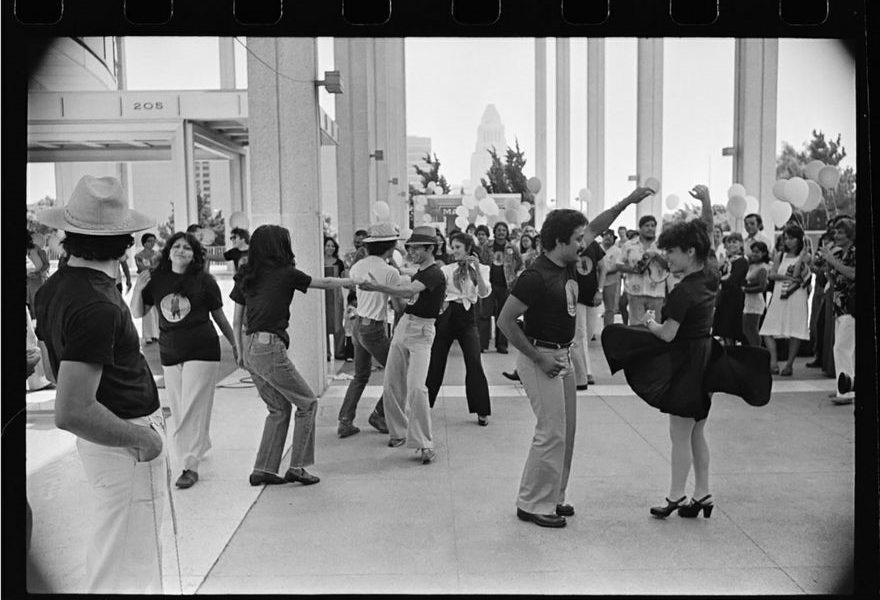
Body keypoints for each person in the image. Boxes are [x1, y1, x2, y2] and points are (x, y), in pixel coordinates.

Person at [33, 175, 168, 593]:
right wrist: (144, 440)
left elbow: (53, 369)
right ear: (125, 241)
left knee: (120, 552)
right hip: (124, 440)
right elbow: (72, 409)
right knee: (126, 565)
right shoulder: (95, 303)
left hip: (112, 438)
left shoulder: (55, 288)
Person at [601, 193, 771, 521]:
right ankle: (703, 493)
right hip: (707, 358)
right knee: (696, 431)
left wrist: (649, 321)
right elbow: (705, 233)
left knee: (680, 434)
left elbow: (667, 334)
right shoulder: (707, 273)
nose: (667, 257)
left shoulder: (683, 290)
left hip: (687, 365)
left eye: (672, 251)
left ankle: (675, 496)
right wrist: (707, 201)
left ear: (689, 251)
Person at [497, 186, 655, 528]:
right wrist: (539, 360)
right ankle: (532, 503)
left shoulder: (566, 263)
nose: (585, 243)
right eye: (578, 238)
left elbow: (597, 224)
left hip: (563, 355)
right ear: (559, 241)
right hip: (541, 356)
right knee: (551, 430)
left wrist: (626, 202)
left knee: (566, 431)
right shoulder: (535, 276)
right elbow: (506, 322)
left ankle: (554, 496)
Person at [230, 225, 352, 486]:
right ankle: (297, 466)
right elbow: (326, 283)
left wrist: (239, 353)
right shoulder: (285, 273)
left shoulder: (246, 274)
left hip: (250, 346)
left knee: (278, 407)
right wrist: (353, 281)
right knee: (307, 403)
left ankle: (263, 468)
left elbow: (237, 318)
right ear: (279, 246)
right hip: (268, 346)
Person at [130, 231, 237, 489]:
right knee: (179, 408)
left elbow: (219, 316)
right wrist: (138, 288)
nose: (181, 251)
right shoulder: (156, 280)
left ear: (194, 255)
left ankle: (189, 465)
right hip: (170, 352)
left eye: (187, 248)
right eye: (176, 246)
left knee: (192, 406)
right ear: (168, 252)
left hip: (202, 348)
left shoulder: (204, 281)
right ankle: (200, 443)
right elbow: (136, 312)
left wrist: (235, 344)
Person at [358, 225, 447, 464]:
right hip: (404, 327)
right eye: (410, 247)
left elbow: (408, 289)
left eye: (417, 248)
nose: (412, 251)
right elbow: (407, 281)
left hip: (422, 333)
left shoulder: (435, 274)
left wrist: (377, 286)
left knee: (417, 388)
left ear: (430, 249)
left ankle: (424, 443)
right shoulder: (420, 271)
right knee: (391, 383)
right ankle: (398, 432)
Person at [337, 223, 403, 438]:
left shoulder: (358, 266)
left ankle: (345, 420)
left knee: (361, 375)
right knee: (399, 372)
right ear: (390, 246)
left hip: (358, 324)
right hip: (374, 328)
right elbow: (399, 306)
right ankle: (378, 414)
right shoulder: (390, 271)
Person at [425, 232, 492, 426]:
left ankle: (482, 410)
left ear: (468, 248)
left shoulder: (483, 269)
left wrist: (477, 269)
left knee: (474, 361)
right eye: (452, 247)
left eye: (457, 247)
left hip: (468, 316)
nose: (453, 251)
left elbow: (484, 292)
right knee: (436, 363)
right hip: (447, 316)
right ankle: (424, 407)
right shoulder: (446, 269)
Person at [759, 223, 811, 376]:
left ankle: (789, 364)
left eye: (792, 238)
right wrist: (785, 277)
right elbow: (772, 275)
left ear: (799, 239)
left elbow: (797, 275)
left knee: (795, 330)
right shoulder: (779, 255)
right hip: (779, 294)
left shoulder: (806, 256)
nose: (788, 241)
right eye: (786, 238)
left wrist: (801, 257)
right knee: (767, 329)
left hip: (796, 295)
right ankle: (773, 362)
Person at [818, 218, 856, 404]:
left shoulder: (855, 252)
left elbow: (854, 273)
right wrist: (829, 267)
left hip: (851, 305)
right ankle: (846, 386)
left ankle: (846, 391)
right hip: (840, 305)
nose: (837, 236)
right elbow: (836, 280)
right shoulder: (843, 253)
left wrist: (833, 261)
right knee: (847, 348)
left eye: (841, 232)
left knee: (841, 347)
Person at [478, 222, 523, 354]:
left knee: (503, 316)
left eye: (504, 230)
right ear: (495, 232)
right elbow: (481, 262)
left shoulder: (512, 247)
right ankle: (483, 344)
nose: (501, 232)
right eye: (499, 230)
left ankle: (501, 345)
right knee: (485, 315)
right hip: (489, 285)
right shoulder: (487, 246)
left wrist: (515, 276)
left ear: (507, 232)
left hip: (506, 286)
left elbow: (520, 264)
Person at [616, 215, 666, 325]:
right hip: (635, 293)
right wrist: (634, 269)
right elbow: (618, 264)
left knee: (655, 327)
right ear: (640, 228)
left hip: (656, 294)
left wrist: (656, 256)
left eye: (653, 225)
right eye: (647, 225)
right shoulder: (629, 245)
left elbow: (670, 266)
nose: (650, 228)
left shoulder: (662, 245)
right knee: (636, 328)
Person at [571, 239, 606, 388]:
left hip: (592, 295)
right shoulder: (569, 243)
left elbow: (603, 268)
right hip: (575, 295)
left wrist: (600, 290)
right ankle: (585, 372)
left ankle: (581, 369)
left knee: (590, 332)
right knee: (580, 333)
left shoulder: (594, 245)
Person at [712, 232, 748, 345]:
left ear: (741, 244)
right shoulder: (727, 261)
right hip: (724, 297)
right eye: (729, 242)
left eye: (735, 241)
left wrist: (721, 279)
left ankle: (733, 353)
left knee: (731, 328)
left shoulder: (742, 261)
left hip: (734, 298)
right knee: (723, 329)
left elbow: (733, 280)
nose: (732, 244)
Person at [741, 241, 771, 347]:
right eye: (753, 251)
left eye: (757, 252)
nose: (754, 254)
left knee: (753, 329)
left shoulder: (763, 267)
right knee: (746, 329)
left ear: (763, 253)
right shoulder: (752, 265)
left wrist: (746, 290)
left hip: (755, 301)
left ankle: (757, 350)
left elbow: (762, 287)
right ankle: (754, 348)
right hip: (748, 300)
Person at [323, 236, 348, 359]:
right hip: (322, 294)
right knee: (324, 323)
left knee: (338, 322)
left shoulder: (339, 262)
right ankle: (325, 352)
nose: (330, 248)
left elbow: (344, 278)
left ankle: (339, 352)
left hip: (336, 294)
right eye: (328, 245)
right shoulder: (319, 261)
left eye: (332, 246)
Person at [134, 233, 161, 345]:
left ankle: (157, 333)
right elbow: (141, 268)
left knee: (156, 309)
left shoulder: (157, 255)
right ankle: (148, 335)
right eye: (150, 241)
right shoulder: (138, 256)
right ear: (144, 242)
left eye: (153, 241)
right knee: (147, 309)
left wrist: (151, 268)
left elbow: (159, 268)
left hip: (156, 282)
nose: (152, 243)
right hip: (144, 282)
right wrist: (152, 268)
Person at [601, 229, 622, 328]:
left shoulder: (617, 251)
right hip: (596, 282)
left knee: (609, 309)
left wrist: (603, 272)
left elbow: (617, 266)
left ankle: (608, 329)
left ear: (614, 239)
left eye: (610, 236)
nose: (608, 238)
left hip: (611, 283)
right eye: (606, 236)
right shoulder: (598, 248)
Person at [27, 230, 50, 319]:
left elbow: (47, 264)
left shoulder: (38, 249)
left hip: (37, 281)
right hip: (28, 281)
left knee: (37, 306)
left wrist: (38, 273)